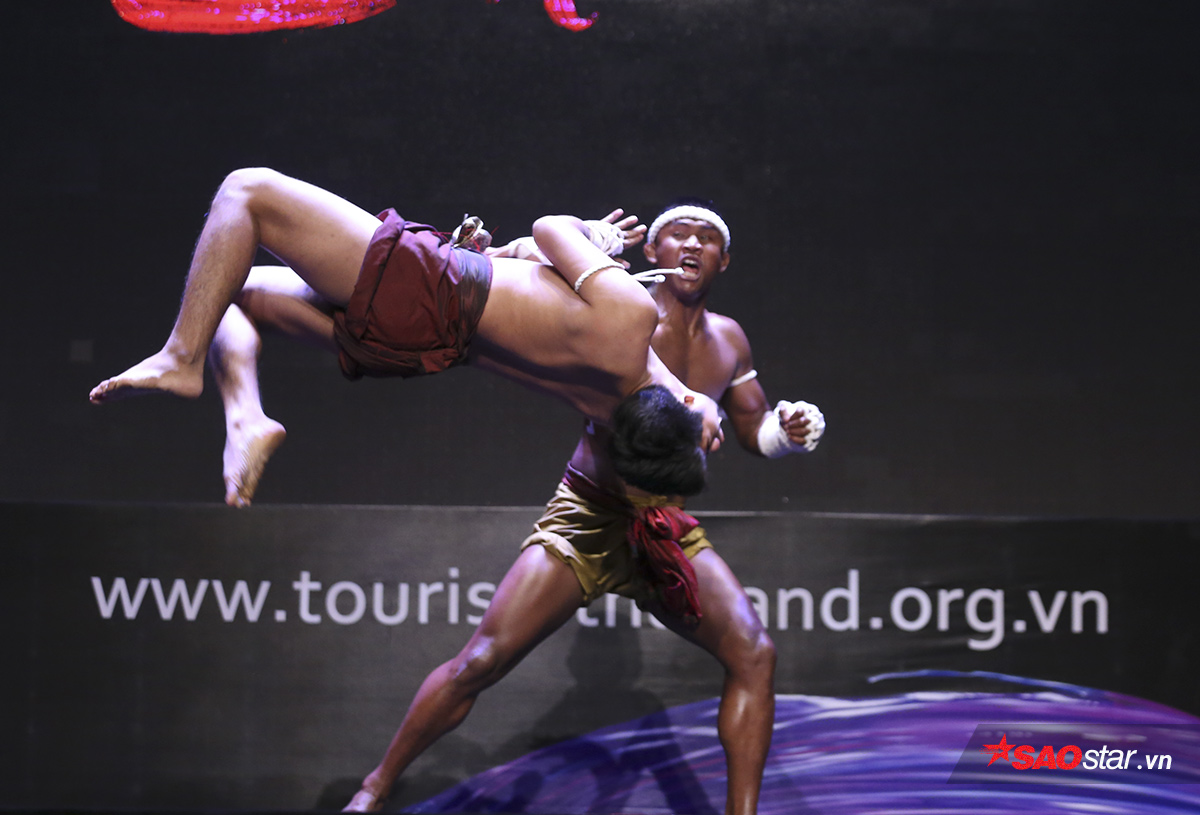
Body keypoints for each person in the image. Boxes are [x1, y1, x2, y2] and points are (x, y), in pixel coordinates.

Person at [340, 201, 823, 815]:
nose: (691, 246)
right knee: (482, 660)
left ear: (723, 260)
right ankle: (373, 790)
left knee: (754, 653)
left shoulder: (729, 340)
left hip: (665, 529)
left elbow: (752, 426)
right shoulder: (622, 309)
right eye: (678, 234)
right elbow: (534, 261)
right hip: (590, 516)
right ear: (653, 250)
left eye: (706, 239)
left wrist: (786, 431)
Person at [88, 168, 724, 499]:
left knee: (246, 192)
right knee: (229, 285)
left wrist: (600, 237)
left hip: (431, 289)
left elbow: (550, 228)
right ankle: (245, 418)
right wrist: (696, 416)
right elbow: (536, 289)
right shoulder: (605, 407)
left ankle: (181, 357)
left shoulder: (631, 316)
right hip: (424, 347)